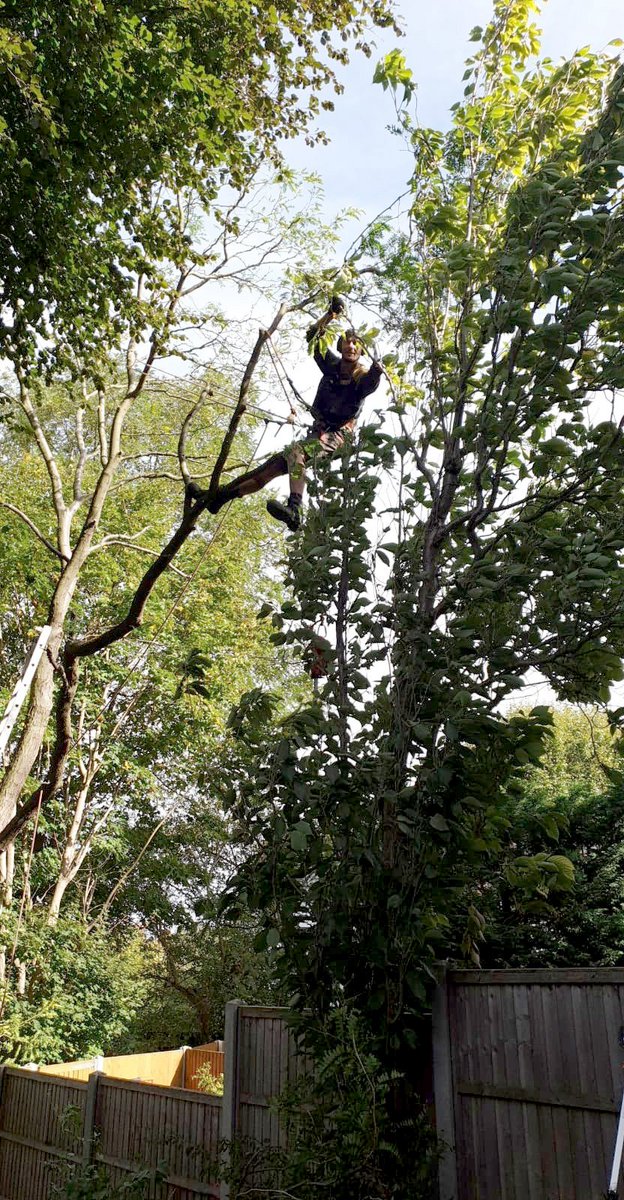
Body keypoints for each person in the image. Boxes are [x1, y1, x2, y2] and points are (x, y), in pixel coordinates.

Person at [206, 301, 383, 530]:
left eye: (356, 344)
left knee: (296, 452)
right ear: (340, 347)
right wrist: (330, 315)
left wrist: (378, 367)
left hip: (338, 437)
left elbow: (372, 382)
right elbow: (313, 338)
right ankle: (218, 498)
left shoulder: (362, 378)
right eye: (347, 342)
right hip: (316, 434)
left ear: (361, 351)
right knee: (268, 470)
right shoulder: (331, 365)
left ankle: (295, 509)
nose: (351, 346)